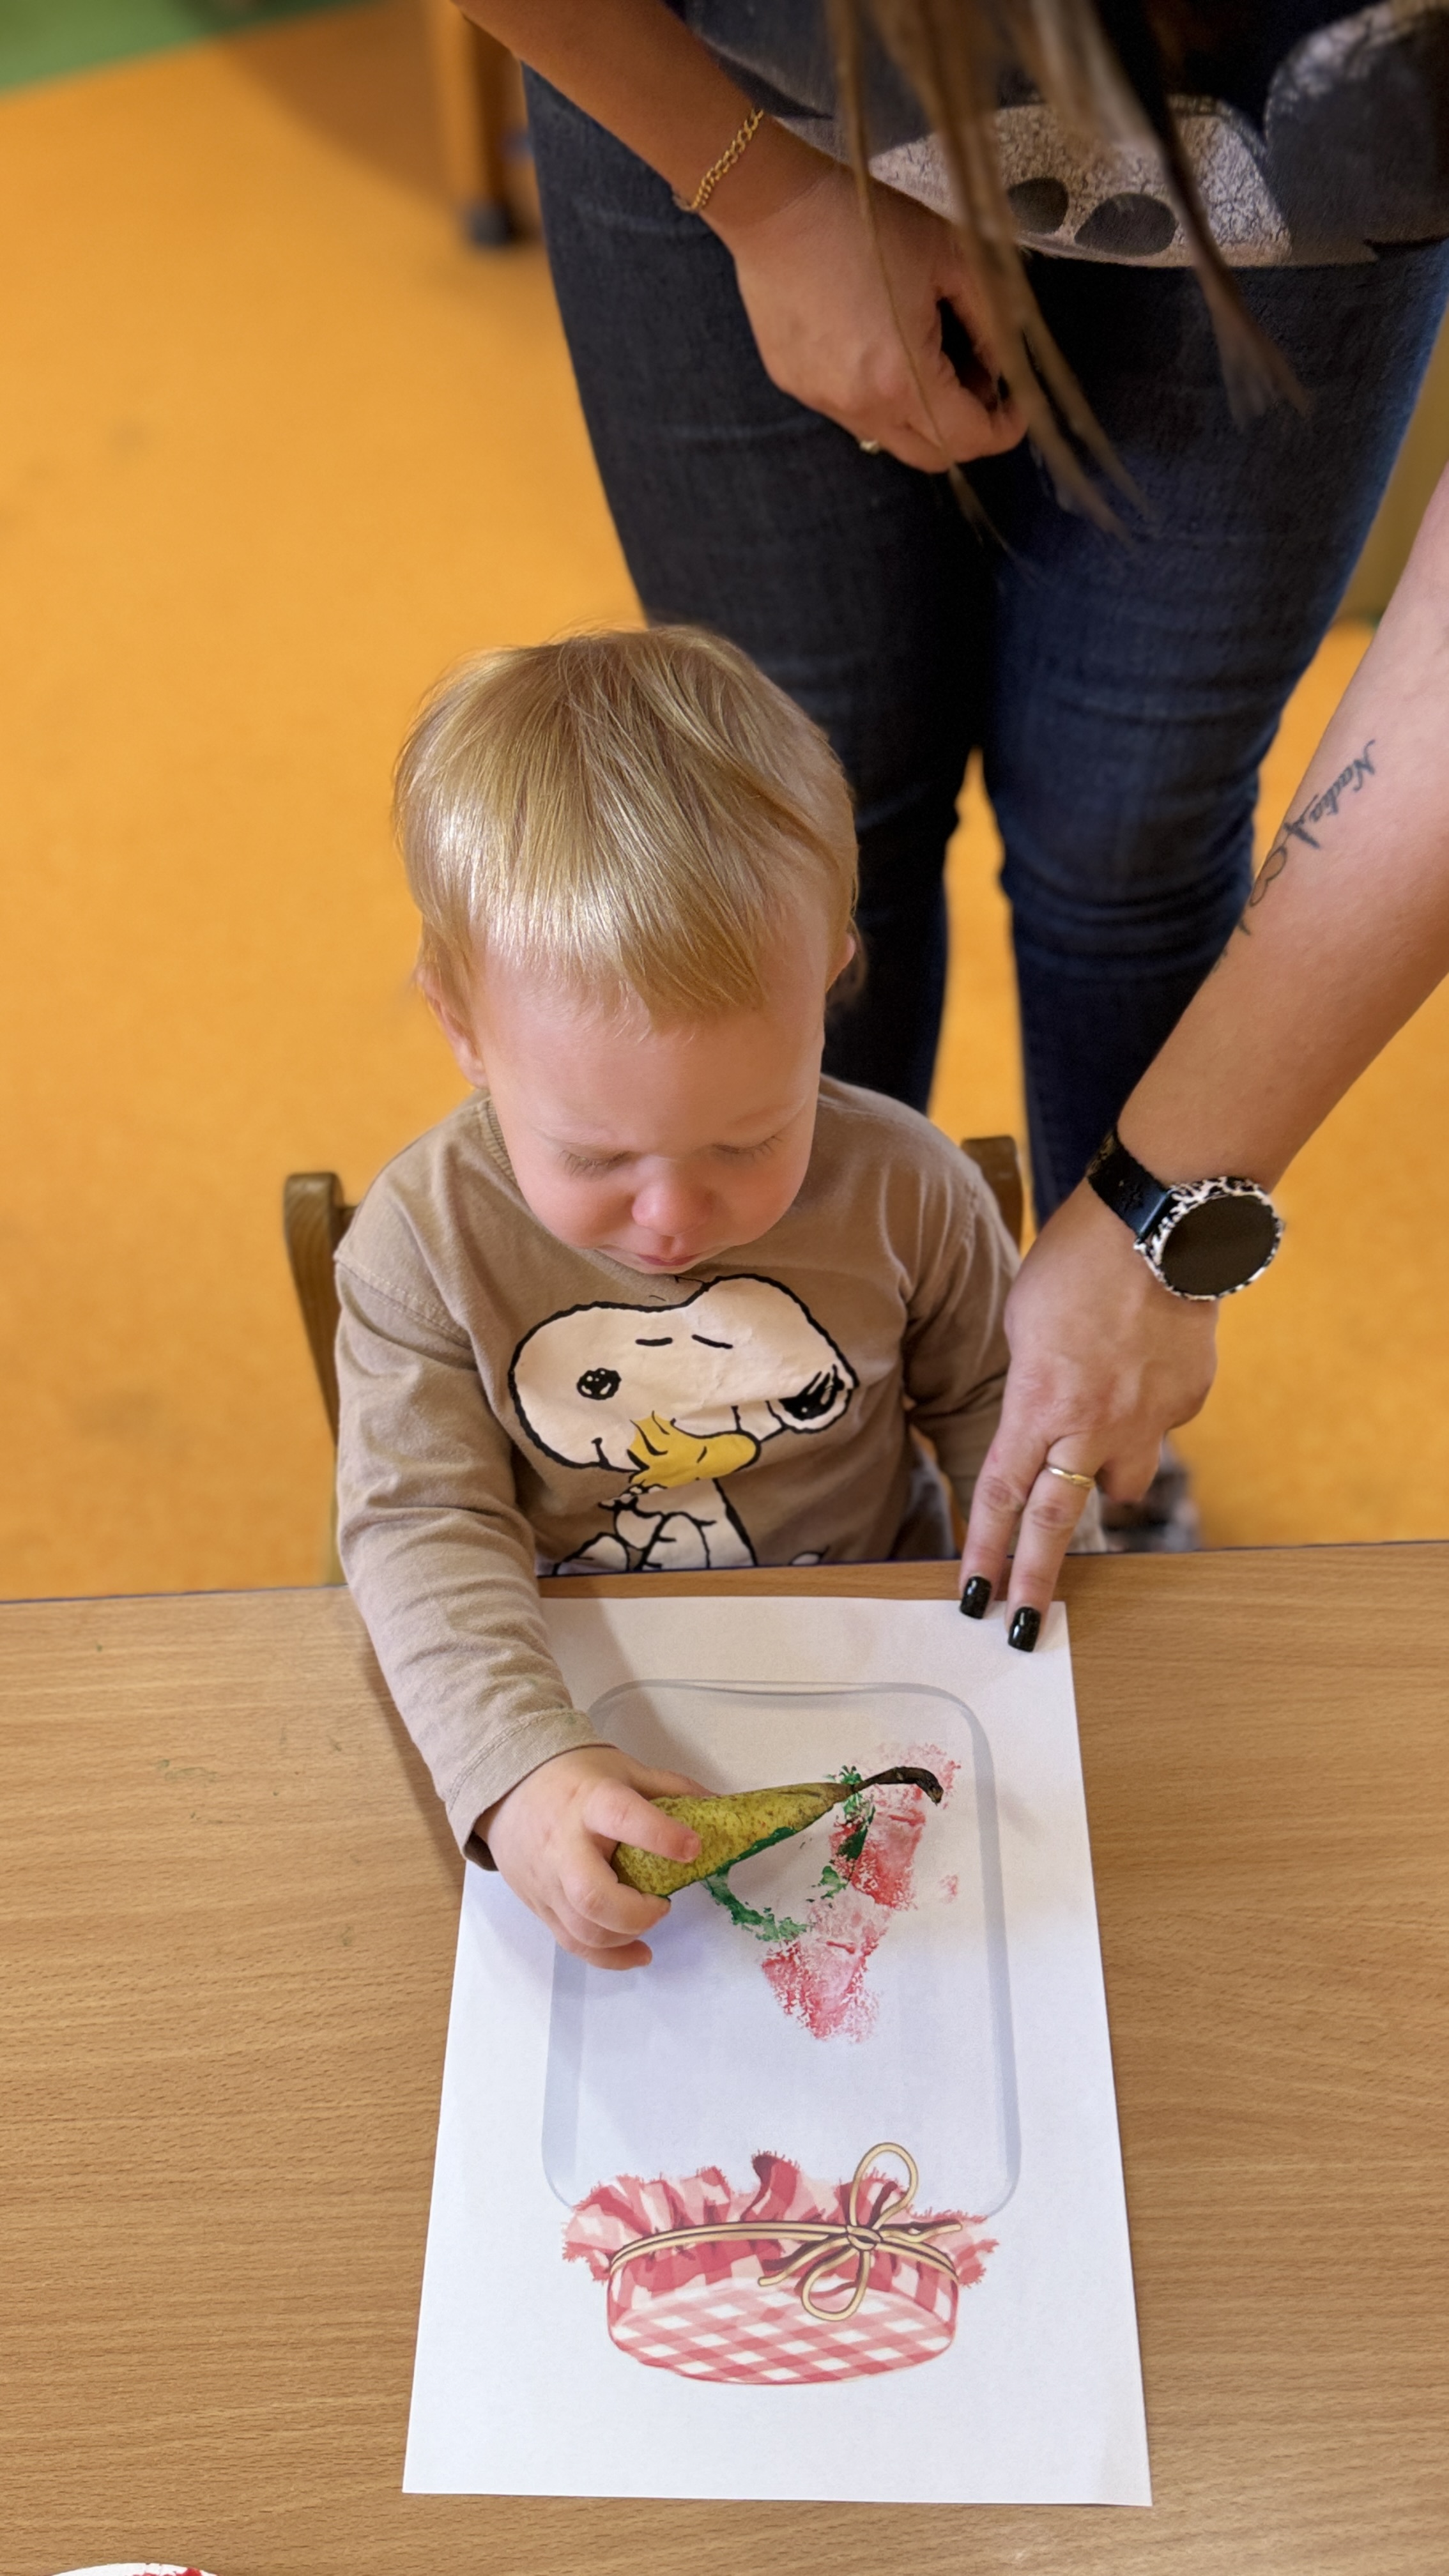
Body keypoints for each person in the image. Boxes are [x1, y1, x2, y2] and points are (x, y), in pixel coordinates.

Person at [455, 0, 1449, 1608]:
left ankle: (1079, 1437)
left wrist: (1153, 1231)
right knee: (806, 800)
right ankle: (804, 1433)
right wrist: (761, 189)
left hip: (1293, 224)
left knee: (1138, 822)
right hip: (725, 84)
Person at [336, 625, 1036, 1971]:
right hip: (561, 1677)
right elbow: (421, 1523)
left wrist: (1047, 1583)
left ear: (828, 981)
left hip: (874, 1652)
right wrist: (517, 1769)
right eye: (596, 1158)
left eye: (748, 1138)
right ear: (462, 1026)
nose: (670, 1218)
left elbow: (995, 1408)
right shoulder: (421, 1244)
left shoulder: (912, 1191)